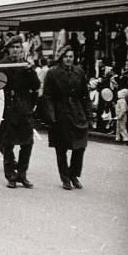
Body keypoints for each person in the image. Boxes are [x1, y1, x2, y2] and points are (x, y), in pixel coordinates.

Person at [0, 35, 41, 188]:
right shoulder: (1, 65)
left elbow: (36, 86)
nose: (16, 50)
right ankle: (11, 176)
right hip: (8, 110)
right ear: (8, 49)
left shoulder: (26, 65)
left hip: (24, 110)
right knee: (8, 144)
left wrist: (30, 70)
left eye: (19, 47)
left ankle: (22, 175)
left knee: (27, 144)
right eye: (13, 47)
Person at [43, 45, 92, 190]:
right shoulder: (52, 73)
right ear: (61, 58)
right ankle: (65, 178)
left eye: (71, 56)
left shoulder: (79, 72)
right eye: (66, 57)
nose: (69, 59)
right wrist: (51, 115)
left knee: (80, 146)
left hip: (77, 113)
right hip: (60, 114)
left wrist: (88, 114)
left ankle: (73, 174)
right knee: (61, 148)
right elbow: (47, 96)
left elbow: (85, 95)